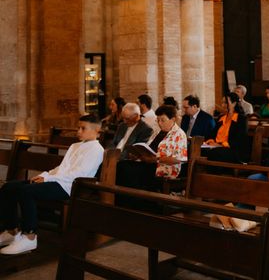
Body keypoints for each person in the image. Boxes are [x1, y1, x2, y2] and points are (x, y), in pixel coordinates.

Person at [0, 114, 104, 255]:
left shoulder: (96, 150)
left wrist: (48, 179)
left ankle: (29, 237)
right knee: (9, 187)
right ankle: (12, 231)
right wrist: (44, 175)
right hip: (57, 180)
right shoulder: (75, 146)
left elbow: (78, 174)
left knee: (26, 191)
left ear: (96, 130)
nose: (78, 131)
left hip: (70, 186)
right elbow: (61, 168)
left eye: (82, 128)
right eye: (78, 128)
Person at [117, 104, 189, 191]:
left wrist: (156, 159)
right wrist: (139, 155)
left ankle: (137, 201)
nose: (159, 123)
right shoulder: (158, 132)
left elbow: (177, 159)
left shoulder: (179, 134)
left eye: (162, 120)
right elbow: (148, 148)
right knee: (121, 165)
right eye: (157, 120)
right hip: (149, 164)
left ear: (173, 119)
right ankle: (122, 199)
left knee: (128, 171)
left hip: (164, 168)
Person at [203, 92, 248, 163]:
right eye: (222, 103)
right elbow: (212, 133)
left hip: (232, 150)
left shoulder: (241, 119)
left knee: (214, 153)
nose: (223, 105)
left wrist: (221, 145)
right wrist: (211, 141)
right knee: (199, 150)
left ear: (234, 103)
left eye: (226, 103)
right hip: (217, 147)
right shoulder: (221, 117)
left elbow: (239, 139)